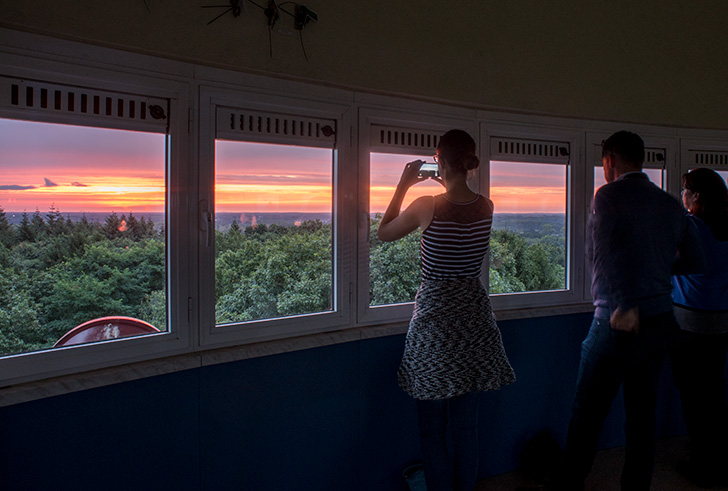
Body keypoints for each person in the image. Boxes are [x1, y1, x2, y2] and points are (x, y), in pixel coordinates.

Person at [559, 131, 705, 490]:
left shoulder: (608, 195)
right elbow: (696, 259)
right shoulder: (671, 204)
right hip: (659, 323)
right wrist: (655, 271)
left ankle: (567, 485)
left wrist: (624, 305)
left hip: (616, 321)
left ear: (610, 160)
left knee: (586, 414)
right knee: (642, 417)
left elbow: (604, 253)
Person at [378, 129, 515, 491]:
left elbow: (384, 232)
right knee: (465, 428)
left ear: (439, 160)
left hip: (436, 322)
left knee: (432, 429)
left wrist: (403, 185)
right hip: (473, 319)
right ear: (468, 162)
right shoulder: (486, 205)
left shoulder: (428, 204)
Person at [670, 168, 728, 488]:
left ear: (696, 197)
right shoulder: (724, 228)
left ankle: (703, 462)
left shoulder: (691, 227)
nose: (681, 198)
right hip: (720, 323)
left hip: (690, 324)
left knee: (693, 396)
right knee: (714, 393)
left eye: (684, 192)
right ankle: (717, 455)